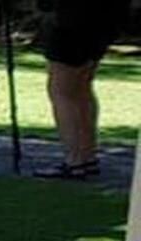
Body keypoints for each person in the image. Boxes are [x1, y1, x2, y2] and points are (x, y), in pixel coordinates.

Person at [38, 0, 132, 178]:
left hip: (72, 18)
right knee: (81, 87)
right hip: (105, 18)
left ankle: (75, 160)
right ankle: (87, 156)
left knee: (62, 91)